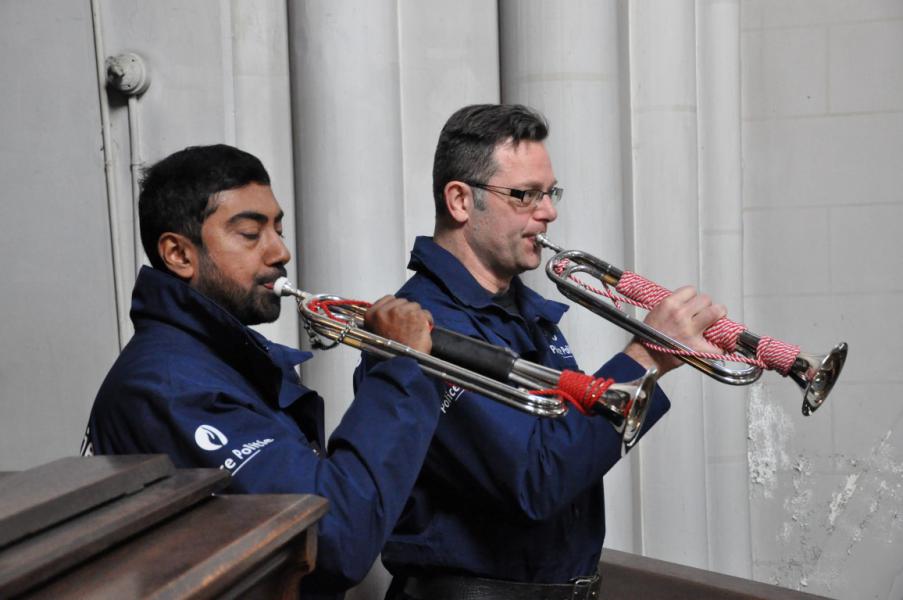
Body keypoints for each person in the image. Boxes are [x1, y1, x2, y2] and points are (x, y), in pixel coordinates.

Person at [356, 104, 727, 600]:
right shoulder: (424, 327)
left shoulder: (524, 312)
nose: (548, 211)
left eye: (550, 193)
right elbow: (535, 480)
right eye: (525, 195)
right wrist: (643, 359)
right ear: (461, 200)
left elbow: (565, 444)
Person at [83, 144, 441, 599]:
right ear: (178, 254)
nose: (280, 251)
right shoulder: (167, 388)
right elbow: (333, 539)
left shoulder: (223, 363)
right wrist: (399, 371)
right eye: (251, 234)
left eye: (279, 228)